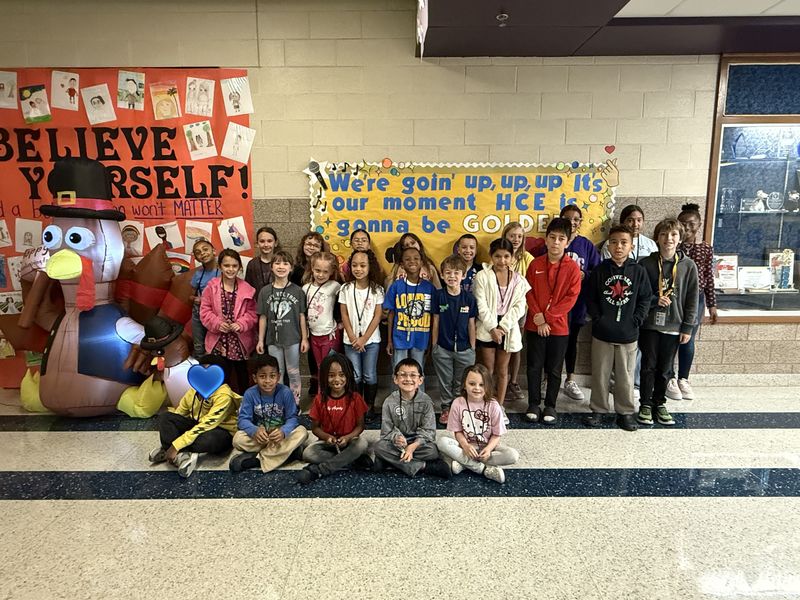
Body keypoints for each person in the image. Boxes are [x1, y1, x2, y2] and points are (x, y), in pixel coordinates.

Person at [583, 225, 652, 431]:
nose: (618, 247)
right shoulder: (600, 270)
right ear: (608, 245)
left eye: (624, 243)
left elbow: (645, 298)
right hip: (602, 333)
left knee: (625, 375)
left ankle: (625, 412)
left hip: (628, 334)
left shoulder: (638, 271)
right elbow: (591, 297)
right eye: (614, 242)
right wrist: (598, 318)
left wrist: (637, 319)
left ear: (631, 246)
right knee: (600, 374)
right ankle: (598, 409)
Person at [637, 218, 699, 427]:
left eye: (673, 235)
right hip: (649, 324)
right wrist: (655, 300)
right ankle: (645, 404)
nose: (668, 239)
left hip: (674, 324)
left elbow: (692, 298)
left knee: (665, 369)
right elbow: (639, 294)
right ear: (657, 238)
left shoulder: (688, 266)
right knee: (648, 366)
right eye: (663, 234)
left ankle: (659, 402)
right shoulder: (645, 264)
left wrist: (688, 326)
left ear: (680, 238)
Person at [523, 218, 581, 425]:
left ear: (567, 242)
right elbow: (527, 291)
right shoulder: (535, 264)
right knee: (534, 366)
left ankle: (550, 405)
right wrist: (538, 318)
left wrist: (547, 317)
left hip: (558, 327)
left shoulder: (572, 268)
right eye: (552, 237)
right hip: (534, 325)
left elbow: (570, 298)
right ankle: (533, 403)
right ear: (546, 240)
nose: (556, 242)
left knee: (555, 369)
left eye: (561, 239)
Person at [148, 355, 241, 478]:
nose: (203, 376)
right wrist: (172, 431)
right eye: (201, 370)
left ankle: (174, 450)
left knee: (210, 440)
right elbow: (179, 413)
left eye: (208, 371)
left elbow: (208, 423)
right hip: (197, 424)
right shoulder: (194, 390)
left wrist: (177, 444)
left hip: (220, 430)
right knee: (166, 417)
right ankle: (177, 452)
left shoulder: (224, 395)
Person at [473, 238, 531, 422]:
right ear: (491, 257)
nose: (502, 260)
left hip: (507, 327)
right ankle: (485, 403)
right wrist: (492, 327)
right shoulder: (482, 276)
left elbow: (519, 307)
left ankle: (499, 406)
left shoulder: (519, 280)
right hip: (488, 326)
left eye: (506, 256)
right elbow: (480, 304)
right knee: (488, 368)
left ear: (512, 258)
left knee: (502, 369)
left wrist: (503, 326)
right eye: (498, 256)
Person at [436, 364, 519, 484]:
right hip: (466, 447)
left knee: (512, 455)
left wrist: (489, 449)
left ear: (488, 386)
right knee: (441, 442)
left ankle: (464, 464)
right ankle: (483, 469)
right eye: (472, 384)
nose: (477, 388)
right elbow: (458, 432)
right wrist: (466, 446)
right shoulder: (457, 403)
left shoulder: (494, 405)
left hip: (488, 447)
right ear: (464, 384)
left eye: (481, 384)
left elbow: (497, 435)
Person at [296, 353, 370, 485]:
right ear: (324, 377)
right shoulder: (319, 399)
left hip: (350, 441)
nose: (337, 379)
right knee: (308, 453)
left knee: (362, 443)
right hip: (328, 443)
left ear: (348, 376)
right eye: (331, 375)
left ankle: (321, 470)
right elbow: (315, 428)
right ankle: (352, 459)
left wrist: (347, 437)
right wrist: (327, 437)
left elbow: (360, 426)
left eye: (342, 375)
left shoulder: (355, 398)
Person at [372, 358, 451, 479]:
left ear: (420, 380)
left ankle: (391, 462)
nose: (408, 379)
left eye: (413, 375)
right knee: (379, 447)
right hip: (397, 444)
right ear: (395, 379)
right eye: (403, 375)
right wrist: (396, 438)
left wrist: (413, 446)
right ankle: (424, 466)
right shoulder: (389, 402)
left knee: (432, 451)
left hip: (418, 445)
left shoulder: (426, 401)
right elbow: (386, 431)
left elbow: (429, 431)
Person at [670, 202, 718, 401]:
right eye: (683, 224)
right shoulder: (672, 247)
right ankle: (669, 378)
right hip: (673, 298)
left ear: (699, 225)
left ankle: (683, 378)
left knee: (687, 337)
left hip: (696, 299)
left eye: (691, 224)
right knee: (670, 337)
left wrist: (712, 304)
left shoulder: (706, 249)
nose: (687, 228)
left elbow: (709, 277)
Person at [230, 354, 308, 472]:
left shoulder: (285, 392)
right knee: (237, 439)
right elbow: (243, 420)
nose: (268, 381)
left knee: (302, 432)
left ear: (278, 377)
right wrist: (254, 430)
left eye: (272, 376)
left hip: (279, 436)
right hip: (261, 437)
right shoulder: (250, 394)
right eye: (262, 376)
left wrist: (283, 431)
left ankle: (259, 459)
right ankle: (286, 453)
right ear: (255, 378)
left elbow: (292, 418)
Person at [558, 205, 601, 402]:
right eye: (568, 218)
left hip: (577, 303)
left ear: (580, 222)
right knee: (553, 342)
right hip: (556, 304)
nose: (572, 222)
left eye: (576, 219)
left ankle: (570, 379)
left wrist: (585, 274)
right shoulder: (556, 242)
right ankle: (550, 377)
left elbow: (597, 271)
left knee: (571, 341)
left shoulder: (586, 245)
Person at [199, 249, 258, 395]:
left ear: (239, 267)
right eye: (226, 265)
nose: (230, 269)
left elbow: (252, 313)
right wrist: (217, 323)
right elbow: (204, 311)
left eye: (234, 266)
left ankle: (244, 404)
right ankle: (220, 404)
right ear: (220, 266)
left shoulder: (248, 290)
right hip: (218, 341)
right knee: (220, 375)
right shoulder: (211, 287)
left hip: (240, 342)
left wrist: (241, 324)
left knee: (242, 375)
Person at [255, 250, 308, 405]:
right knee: (276, 373)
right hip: (272, 340)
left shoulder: (297, 291)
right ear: (271, 267)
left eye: (285, 263)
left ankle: (295, 403)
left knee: (293, 372)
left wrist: (304, 338)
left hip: (292, 339)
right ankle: (279, 403)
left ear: (291, 268)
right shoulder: (265, 291)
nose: (281, 266)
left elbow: (302, 316)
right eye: (277, 263)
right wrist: (260, 340)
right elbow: (263, 317)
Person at [431, 255, 477, 425]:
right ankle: (446, 407)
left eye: (456, 273)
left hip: (465, 348)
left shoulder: (469, 298)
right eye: (448, 273)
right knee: (445, 380)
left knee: (460, 381)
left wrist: (473, 346)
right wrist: (434, 344)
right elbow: (435, 320)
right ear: (442, 275)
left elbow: (472, 324)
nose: (452, 276)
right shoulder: (439, 296)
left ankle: (459, 407)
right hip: (443, 347)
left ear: (463, 275)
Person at [339, 249, 384, 421]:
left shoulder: (377, 289)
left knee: (369, 375)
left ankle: (370, 406)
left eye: (363, 265)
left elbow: (378, 315)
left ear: (369, 267)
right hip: (350, 341)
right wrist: (352, 338)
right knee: (355, 375)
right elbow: (344, 314)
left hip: (371, 340)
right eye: (355, 265)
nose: (358, 269)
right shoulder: (345, 288)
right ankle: (357, 406)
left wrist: (364, 338)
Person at [383, 246, 435, 383]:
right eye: (407, 259)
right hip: (399, 338)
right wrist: (389, 340)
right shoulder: (396, 286)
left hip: (421, 337)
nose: (412, 261)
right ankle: (397, 402)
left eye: (416, 258)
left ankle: (419, 401)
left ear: (422, 263)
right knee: (398, 372)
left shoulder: (429, 288)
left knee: (418, 373)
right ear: (401, 264)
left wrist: (431, 341)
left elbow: (434, 317)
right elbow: (391, 314)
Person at [502, 221, 534, 403]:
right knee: (501, 347)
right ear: (505, 236)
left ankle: (513, 381)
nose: (515, 239)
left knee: (515, 346)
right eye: (512, 235)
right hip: (500, 309)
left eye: (519, 236)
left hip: (520, 310)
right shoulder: (500, 255)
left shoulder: (527, 258)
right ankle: (502, 381)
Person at [290, 232, 326, 396]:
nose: (311, 247)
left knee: (322, 355)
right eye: (308, 243)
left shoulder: (325, 267)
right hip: (302, 316)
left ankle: (323, 384)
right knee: (310, 353)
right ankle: (314, 382)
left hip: (322, 317)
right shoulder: (296, 270)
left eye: (316, 245)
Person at [303, 251, 343, 370]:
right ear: (312, 269)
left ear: (331, 272)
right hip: (314, 334)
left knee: (330, 366)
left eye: (325, 271)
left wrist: (342, 323)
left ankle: (329, 389)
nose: (321, 275)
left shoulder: (335, 286)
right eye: (318, 270)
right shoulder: (306, 288)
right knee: (319, 366)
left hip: (329, 334)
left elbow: (345, 302)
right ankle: (321, 389)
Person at [189, 239, 219, 358]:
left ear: (214, 251)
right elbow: (190, 296)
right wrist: (196, 299)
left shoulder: (224, 271)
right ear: (196, 258)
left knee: (215, 346)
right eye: (198, 252)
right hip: (200, 312)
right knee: (199, 347)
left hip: (217, 314)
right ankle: (200, 373)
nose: (203, 253)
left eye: (205, 249)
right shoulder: (198, 274)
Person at [245, 226, 279, 297]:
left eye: (269, 241)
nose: (266, 245)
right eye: (262, 241)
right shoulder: (252, 264)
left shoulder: (281, 263)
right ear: (257, 244)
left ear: (275, 243)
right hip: (257, 305)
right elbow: (248, 289)